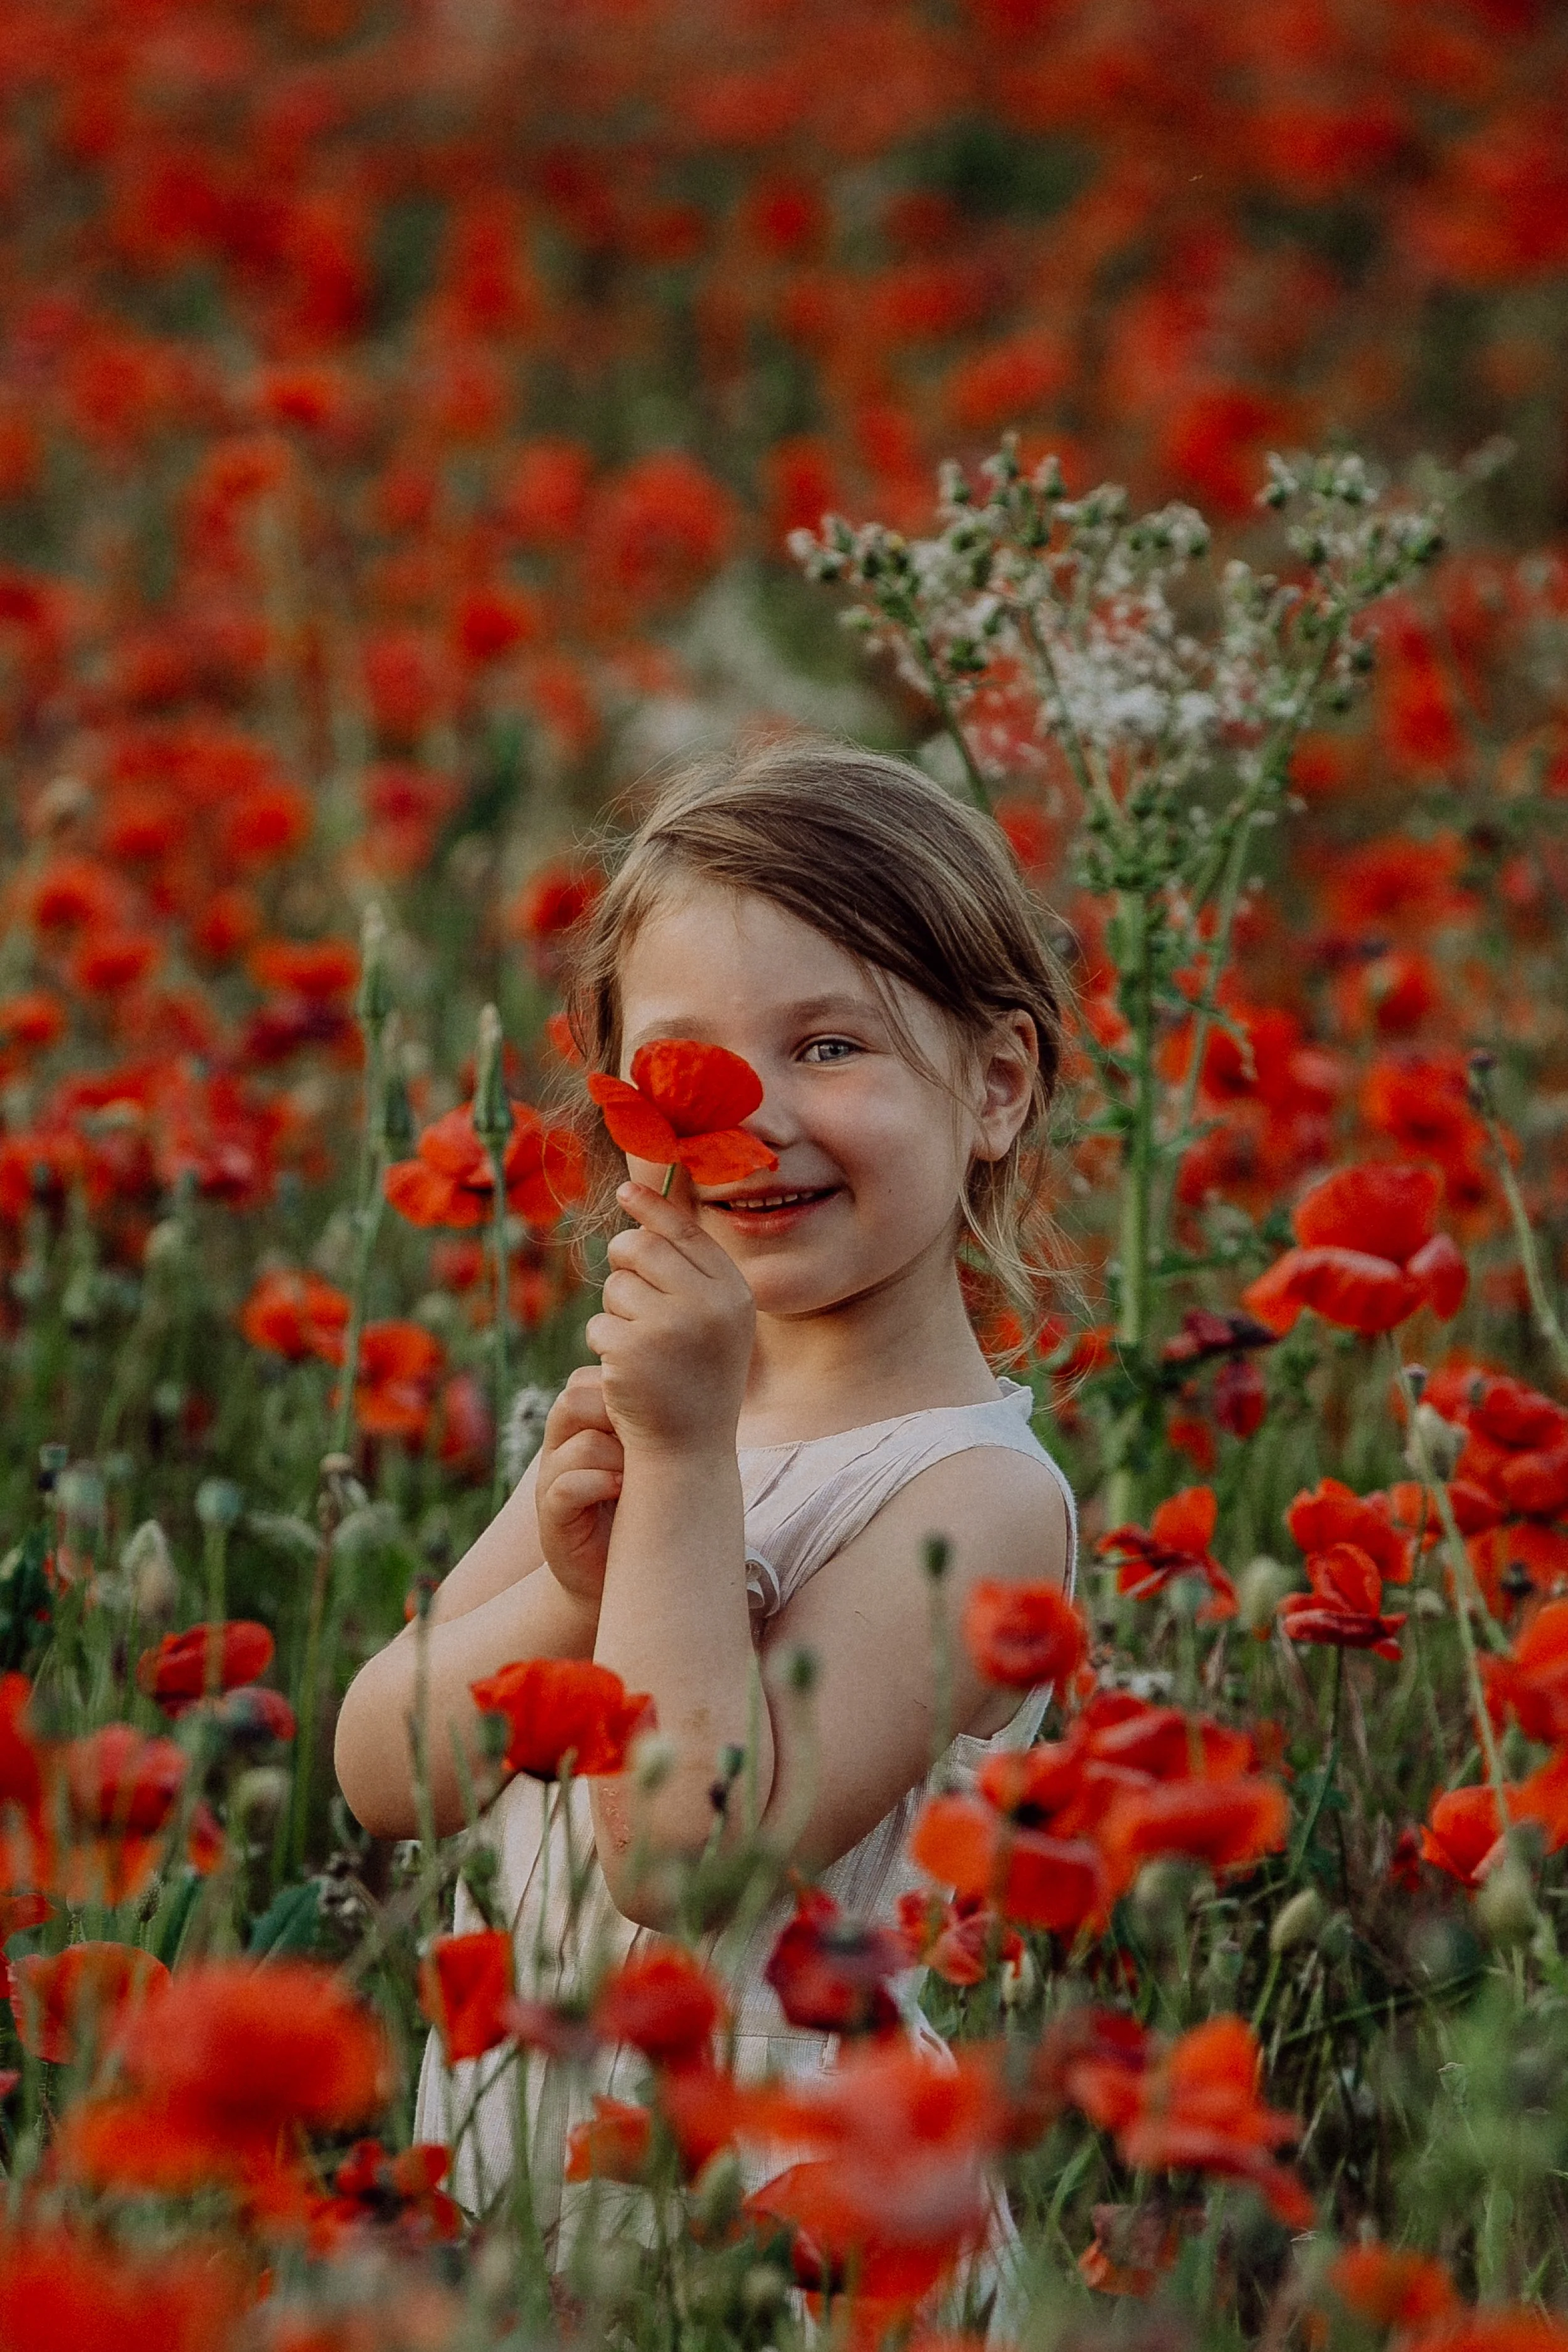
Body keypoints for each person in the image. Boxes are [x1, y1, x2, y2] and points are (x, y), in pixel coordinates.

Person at [334, 734, 1077, 2268]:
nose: (751, 1119)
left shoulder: (977, 1496)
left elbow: (683, 1859)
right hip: (518, 2172)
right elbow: (383, 1767)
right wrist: (561, 1579)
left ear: (995, 1086)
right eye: (692, 1064)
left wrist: (679, 1468)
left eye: (826, 1048)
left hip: (784, 2214)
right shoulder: (637, 1413)